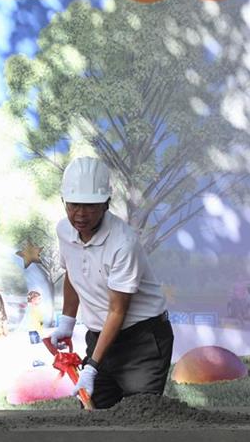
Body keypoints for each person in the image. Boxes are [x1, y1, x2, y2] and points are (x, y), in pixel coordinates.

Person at [49, 157, 174, 410]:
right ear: (64, 202)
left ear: (106, 204)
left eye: (90, 206)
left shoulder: (123, 243)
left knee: (139, 417)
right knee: (94, 415)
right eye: (73, 205)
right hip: (99, 338)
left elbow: (118, 310)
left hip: (141, 342)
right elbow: (72, 273)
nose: (80, 214)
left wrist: (92, 368)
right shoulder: (64, 230)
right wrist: (67, 322)